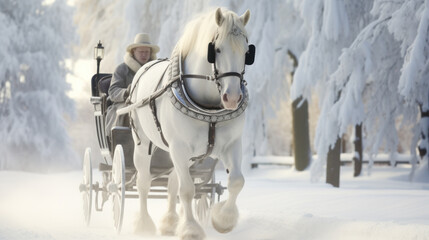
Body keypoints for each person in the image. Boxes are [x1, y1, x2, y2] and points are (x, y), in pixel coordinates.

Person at [105, 33, 160, 140]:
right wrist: (127, 92)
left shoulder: (155, 69)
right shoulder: (122, 69)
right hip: (125, 104)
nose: (144, 55)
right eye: (141, 52)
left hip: (149, 103)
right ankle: (121, 140)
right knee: (125, 112)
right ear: (133, 52)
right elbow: (113, 91)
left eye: (146, 52)